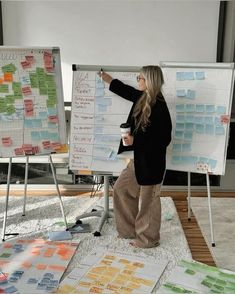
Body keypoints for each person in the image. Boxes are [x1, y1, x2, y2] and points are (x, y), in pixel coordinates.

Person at [99, 66, 172, 248]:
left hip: (152, 164)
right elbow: (125, 90)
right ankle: (128, 231)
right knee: (122, 190)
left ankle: (148, 239)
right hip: (138, 160)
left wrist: (135, 141)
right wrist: (108, 79)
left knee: (148, 201)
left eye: (140, 77)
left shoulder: (160, 106)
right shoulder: (141, 97)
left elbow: (163, 139)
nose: (137, 80)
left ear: (149, 81)